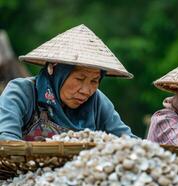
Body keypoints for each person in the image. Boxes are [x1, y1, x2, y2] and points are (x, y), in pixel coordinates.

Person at [0, 24, 137, 141]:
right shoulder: (21, 92)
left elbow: (128, 140)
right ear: (55, 71)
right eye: (80, 79)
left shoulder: (97, 102)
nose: (86, 90)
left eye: (94, 81)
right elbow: (6, 139)